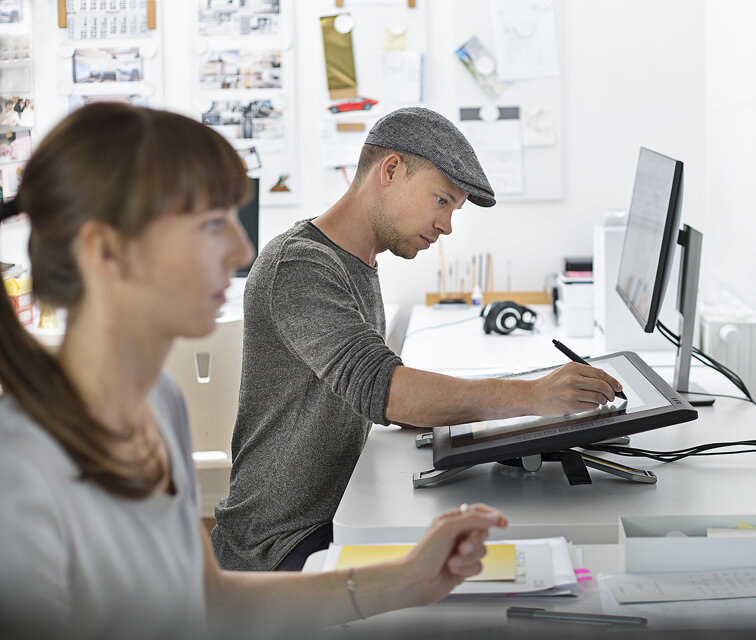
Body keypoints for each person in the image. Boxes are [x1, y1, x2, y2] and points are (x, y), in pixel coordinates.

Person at [0, 103, 508, 638]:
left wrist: (408, 579)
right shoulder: (22, 462)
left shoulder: (157, 403)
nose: (243, 249)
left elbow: (208, 599)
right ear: (105, 251)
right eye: (209, 225)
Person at [212, 107, 623, 572]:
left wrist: (495, 413)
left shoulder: (355, 261)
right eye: (441, 200)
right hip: (279, 545)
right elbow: (382, 390)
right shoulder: (302, 266)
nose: (446, 225)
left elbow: (378, 391)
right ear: (390, 170)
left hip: (331, 515)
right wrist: (529, 395)